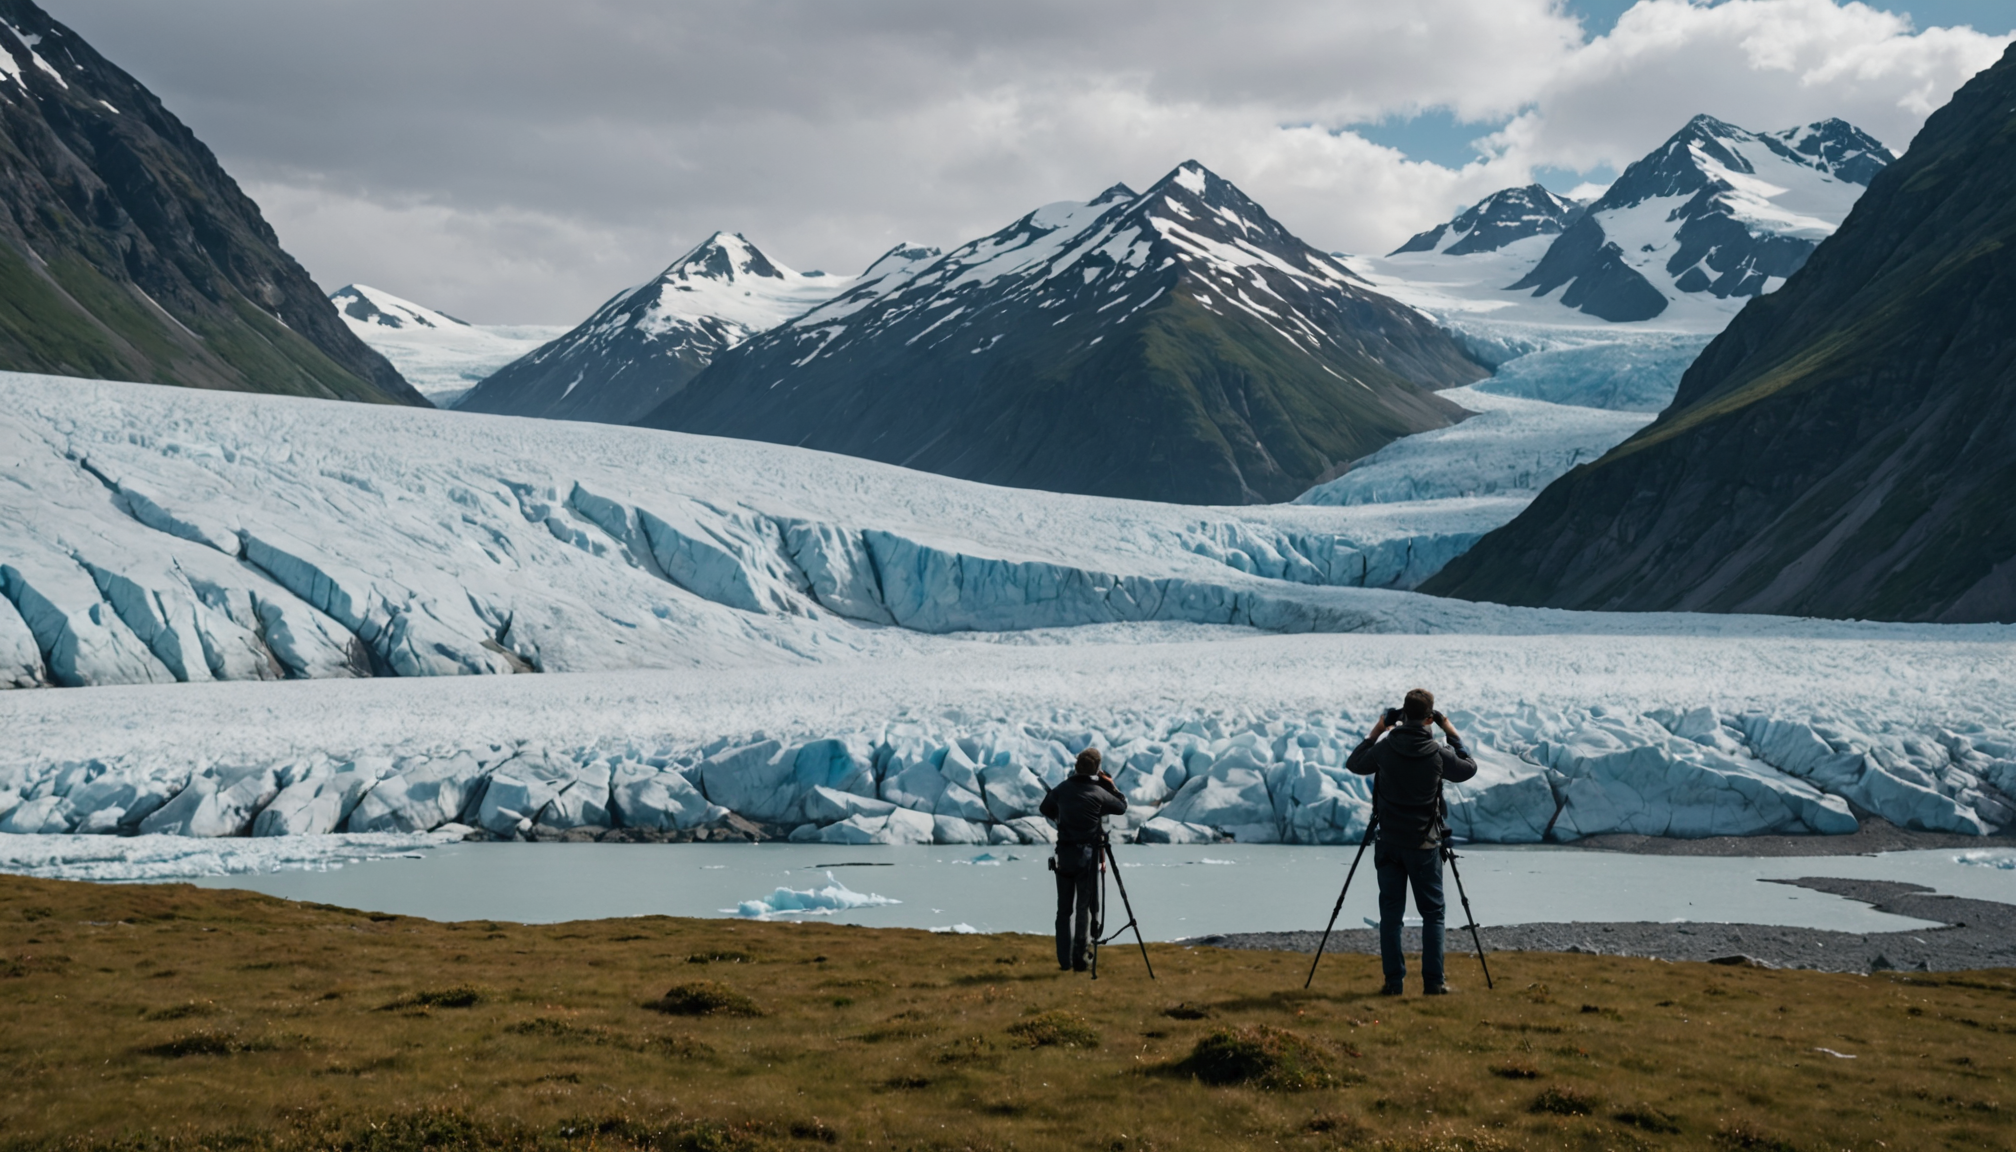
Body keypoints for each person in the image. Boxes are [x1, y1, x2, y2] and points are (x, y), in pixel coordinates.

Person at [1346, 687, 1477, 996]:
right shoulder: (1437, 753)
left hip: (1389, 843)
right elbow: (1468, 768)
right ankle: (1433, 983)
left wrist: (1378, 729)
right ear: (1429, 718)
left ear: (1403, 715)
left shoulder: (1385, 748)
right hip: (1425, 845)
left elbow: (1355, 763)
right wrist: (1452, 732)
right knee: (1433, 914)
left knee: (1390, 916)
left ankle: (1393, 983)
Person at [1038, 748, 1127, 972]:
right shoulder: (1098, 792)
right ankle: (1079, 958)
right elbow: (1121, 806)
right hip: (1087, 857)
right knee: (1083, 907)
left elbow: (1044, 807)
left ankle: (1064, 961)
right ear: (1097, 769)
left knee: (1063, 910)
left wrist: (1061, 816)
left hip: (1064, 855)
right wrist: (1110, 785)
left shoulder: (1062, 789)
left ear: (1076, 765)